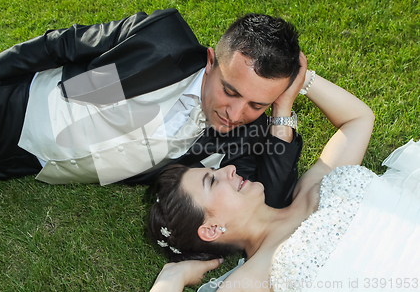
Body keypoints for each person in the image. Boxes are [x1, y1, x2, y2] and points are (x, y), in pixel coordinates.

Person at [0, 9, 303, 208]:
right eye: (230, 91)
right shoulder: (162, 42)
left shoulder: (242, 136)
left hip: (27, 166)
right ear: (209, 62)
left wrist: (283, 108)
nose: (235, 113)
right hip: (12, 108)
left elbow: (269, 201)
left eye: (257, 104)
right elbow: (64, 44)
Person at [149, 54, 420, 291]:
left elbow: (358, 121)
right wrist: (172, 278)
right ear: (210, 229)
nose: (228, 169)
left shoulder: (312, 187)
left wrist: (298, 82)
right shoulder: (250, 281)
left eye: (216, 170)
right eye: (211, 180)